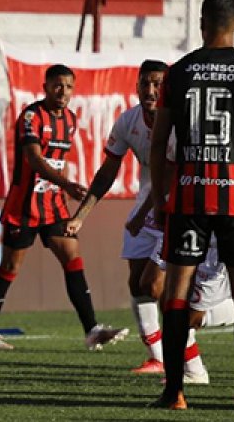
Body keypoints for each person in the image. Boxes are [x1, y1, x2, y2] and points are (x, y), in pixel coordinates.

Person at [148, 0, 234, 411]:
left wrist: (158, 194)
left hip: (188, 194)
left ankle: (174, 392)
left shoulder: (178, 72)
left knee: (177, 291)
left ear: (201, 22)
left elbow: (158, 141)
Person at [0, 64, 128, 351]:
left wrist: (63, 187)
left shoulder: (70, 119)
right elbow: (34, 159)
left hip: (53, 205)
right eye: (57, 85)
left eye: (69, 86)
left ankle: (92, 329)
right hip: (24, 205)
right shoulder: (31, 116)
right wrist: (68, 184)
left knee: (72, 256)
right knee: (10, 266)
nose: (63, 92)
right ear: (45, 87)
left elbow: (57, 159)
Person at [65, 60, 170, 372]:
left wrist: (143, 215)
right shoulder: (128, 122)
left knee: (155, 287)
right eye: (145, 84)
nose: (150, 91)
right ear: (136, 87)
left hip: (179, 206)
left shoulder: (177, 121)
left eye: (157, 84)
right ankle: (158, 358)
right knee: (137, 284)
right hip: (148, 204)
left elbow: (172, 174)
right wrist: (81, 215)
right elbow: (107, 172)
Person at [139, 238, 234, 385]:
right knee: (153, 288)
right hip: (180, 224)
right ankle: (194, 371)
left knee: (187, 318)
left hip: (215, 234)